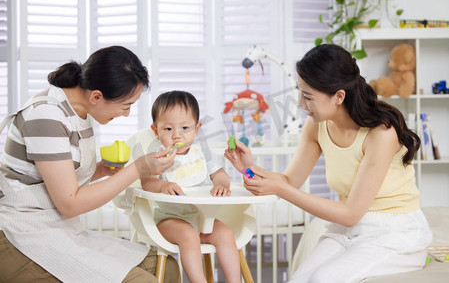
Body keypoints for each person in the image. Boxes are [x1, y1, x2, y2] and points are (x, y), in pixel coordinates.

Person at [224, 44, 433, 282]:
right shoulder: (317, 125)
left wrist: (281, 188)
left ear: (339, 96)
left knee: (323, 278)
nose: (301, 103)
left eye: (308, 96)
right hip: (347, 230)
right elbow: (289, 181)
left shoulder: (381, 134)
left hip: (394, 232)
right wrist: (248, 170)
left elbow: (351, 213)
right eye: (300, 92)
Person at [0, 46, 180, 283]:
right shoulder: (46, 116)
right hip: (21, 234)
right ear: (96, 96)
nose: (127, 114)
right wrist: (137, 169)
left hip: (58, 229)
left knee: (166, 266)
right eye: (126, 105)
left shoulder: (79, 112)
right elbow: (69, 203)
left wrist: (100, 171)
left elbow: (58, 178)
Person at [141, 90, 241, 283]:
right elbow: (147, 182)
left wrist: (221, 185)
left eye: (185, 128)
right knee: (188, 235)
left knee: (225, 233)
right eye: (168, 129)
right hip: (169, 220)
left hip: (202, 218)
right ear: (156, 131)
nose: (177, 135)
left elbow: (219, 174)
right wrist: (163, 185)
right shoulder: (157, 154)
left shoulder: (202, 150)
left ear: (197, 128)